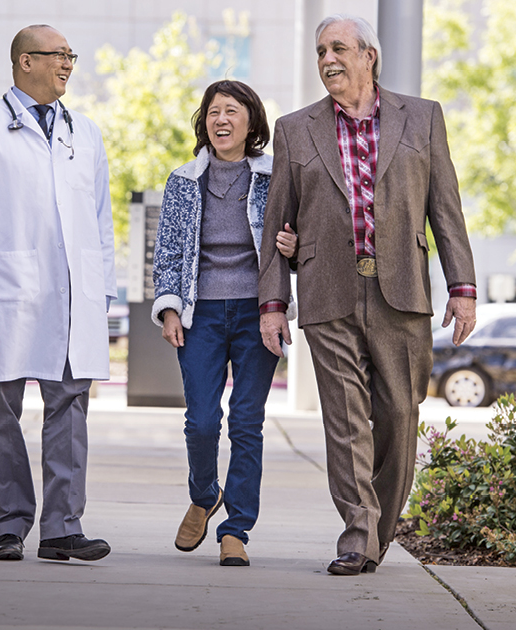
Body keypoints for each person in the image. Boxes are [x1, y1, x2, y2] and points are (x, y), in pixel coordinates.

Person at [258, 15, 478, 576]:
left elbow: (445, 208)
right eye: (320, 51)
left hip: (401, 292)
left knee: (400, 415)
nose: (327, 59)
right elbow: (275, 224)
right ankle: (357, 534)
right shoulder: (294, 128)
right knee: (346, 420)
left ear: (368, 56)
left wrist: (463, 288)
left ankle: (376, 532)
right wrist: (273, 303)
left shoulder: (422, 117)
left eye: (338, 48)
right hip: (327, 289)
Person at [0, 24, 116, 563]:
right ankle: (10, 526)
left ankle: (62, 529)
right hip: (2, 290)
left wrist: (100, 289)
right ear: (23, 62)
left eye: (71, 55)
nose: (67, 64)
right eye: (57, 55)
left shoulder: (85, 132)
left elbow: (100, 220)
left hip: (70, 296)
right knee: (2, 411)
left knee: (69, 407)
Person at [151, 80, 295, 567]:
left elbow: (300, 242)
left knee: (247, 423)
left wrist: (293, 255)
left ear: (251, 121)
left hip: (260, 313)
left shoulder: (275, 177)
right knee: (202, 421)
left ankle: (236, 530)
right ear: (204, 121)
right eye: (213, 112)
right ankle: (203, 492)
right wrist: (170, 307)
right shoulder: (184, 180)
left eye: (232, 111)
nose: (221, 120)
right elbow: (168, 251)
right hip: (201, 315)